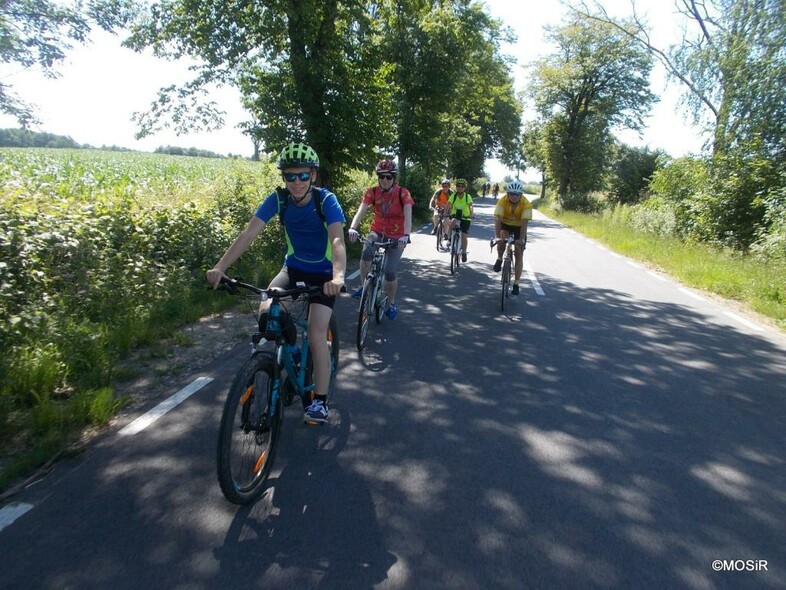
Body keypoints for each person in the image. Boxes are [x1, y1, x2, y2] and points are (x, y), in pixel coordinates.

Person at [206, 142, 346, 424]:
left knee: (318, 335)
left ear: (313, 176)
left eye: (303, 175)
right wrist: (220, 267)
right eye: (290, 176)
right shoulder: (279, 200)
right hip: (292, 270)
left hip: (323, 275)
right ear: (283, 178)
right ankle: (292, 356)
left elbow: (337, 239)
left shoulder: (326, 200)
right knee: (267, 312)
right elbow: (248, 234)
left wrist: (339, 275)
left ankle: (318, 401)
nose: (296, 182)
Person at [347, 159, 414, 320]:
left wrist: (406, 235)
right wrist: (353, 228)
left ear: (394, 178)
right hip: (377, 231)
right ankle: (364, 287)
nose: (385, 180)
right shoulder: (372, 192)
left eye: (389, 177)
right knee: (366, 252)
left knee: (390, 271)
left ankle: (391, 303)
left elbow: (408, 216)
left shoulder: (402, 193)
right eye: (381, 176)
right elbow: (361, 211)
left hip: (397, 236)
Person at [493, 179, 532, 295]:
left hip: (519, 226)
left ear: (521, 195)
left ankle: (516, 283)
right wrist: (497, 237)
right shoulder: (502, 201)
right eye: (512, 194)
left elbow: (525, 223)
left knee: (519, 252)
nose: (514, 196)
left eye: (517, 194)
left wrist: (520, 240)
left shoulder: (526, 204)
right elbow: (497, 220)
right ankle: (500, 258)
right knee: (501, 239)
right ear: (507, 194)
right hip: (505, 224)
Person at [445, 178, 474, 262]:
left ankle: (464, 252)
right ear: (456, 187)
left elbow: (471, 206)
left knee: (464, 235)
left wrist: (471, 214)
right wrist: (445, 213)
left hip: (465, 216)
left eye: (462, 186)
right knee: (452, 222)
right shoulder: (453, 196)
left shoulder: (467, 197)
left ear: (465, 188)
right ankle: (450, 239)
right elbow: (448, 205)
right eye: (458, 186)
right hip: (455, 215)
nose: (460, 188)